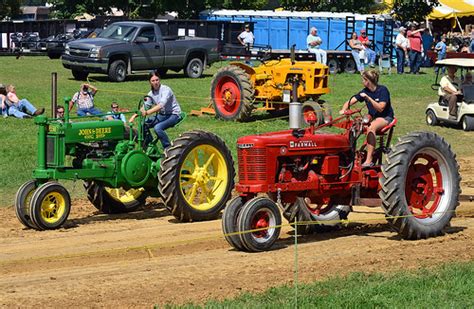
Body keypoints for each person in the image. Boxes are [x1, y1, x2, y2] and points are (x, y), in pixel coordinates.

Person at [339, 70, 394, 168]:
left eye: (363, 80)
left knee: (371, 128)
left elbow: (381, 108)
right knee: (354, 125)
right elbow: (352, 100)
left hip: (385, 117)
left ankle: (369, 161)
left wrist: (368, 98)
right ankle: (349, 154)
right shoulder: (364, 91)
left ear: (367, 81)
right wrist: (344, 109)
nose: (362, 82)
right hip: (372, 117)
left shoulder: (382, 90)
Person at [129, 71, 182, 149]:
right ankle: (150, 146)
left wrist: (147, 112)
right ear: (150, 82)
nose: (155, 82)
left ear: (159, 79)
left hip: (173, 115)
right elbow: (145, 106)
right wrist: (134, 116)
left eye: (157, 80)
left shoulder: (166, 90)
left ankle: (167, 148)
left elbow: (161, 105)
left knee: (158, 128)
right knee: (143, 124)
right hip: (162, 115)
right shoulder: (151, 94)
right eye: (153, 81)